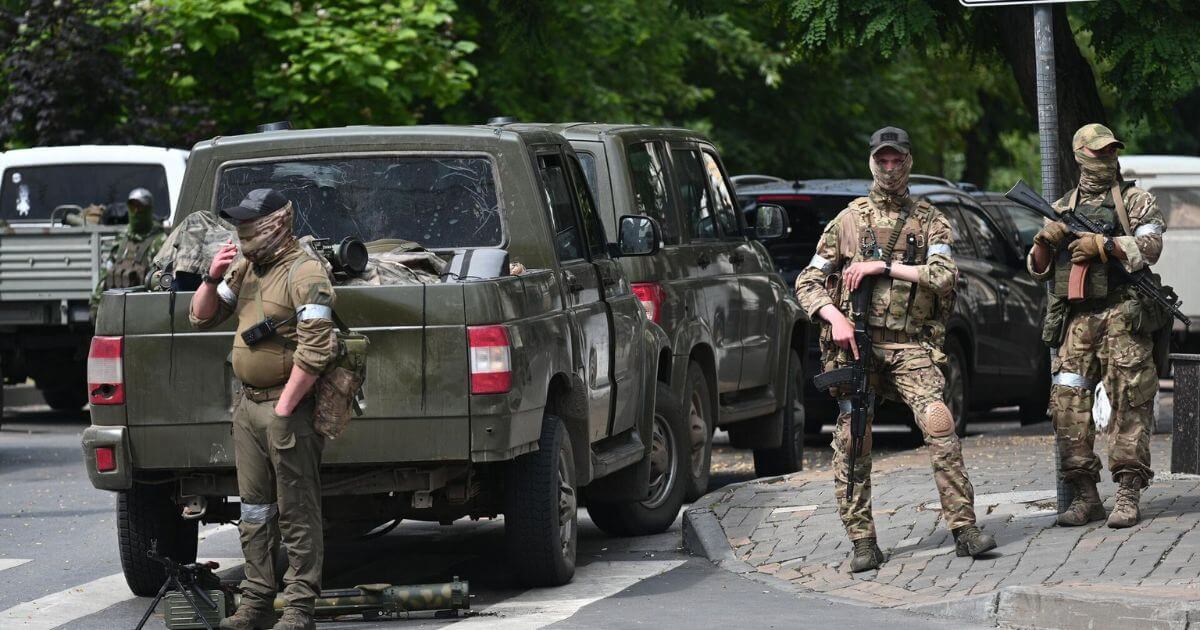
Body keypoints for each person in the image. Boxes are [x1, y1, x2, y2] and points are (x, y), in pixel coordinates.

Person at [794, 126, 996, 572]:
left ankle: (964, 529)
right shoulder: (848, 221)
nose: (889, 168)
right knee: (853, 439)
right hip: (858, 351)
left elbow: (944, 275)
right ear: (872, 161)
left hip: (909, 346)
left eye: (897, 159)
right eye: (882, 160)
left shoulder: (929, 220)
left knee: (940, 425)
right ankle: (863, 541)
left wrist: (884, 266)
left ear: (909, 161)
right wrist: (835, 316)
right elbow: (807, 281)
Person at [190, 189, 336, 630]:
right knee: (254, 510)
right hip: (248, 407)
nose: (244, 230)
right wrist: (212, 277)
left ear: (276, 221)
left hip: (285, 408)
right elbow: (201, 318)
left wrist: (286, 410)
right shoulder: (246, 267)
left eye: (252, 221)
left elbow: (316, 349)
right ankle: (255, 600)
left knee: (297, 510)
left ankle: (298, 607)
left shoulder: (304, 271)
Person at [1027, 124, 1164, 529]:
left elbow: (1152, 248)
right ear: (1079, 154)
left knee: (1130, 401)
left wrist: (1105, 246)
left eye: (1111, 152)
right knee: (1067, 404)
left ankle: (1127, 492)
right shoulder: (1062, 207)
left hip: (1124, 313)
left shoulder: (1135, 201)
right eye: (1098, 152)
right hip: (1078, 320)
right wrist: (1043, 241)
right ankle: (1086, 495)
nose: (1106, 159)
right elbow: (1037, 269)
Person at [90, 188, 166, 314]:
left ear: (148, 210)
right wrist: (96, 303)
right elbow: (106, 273)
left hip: (144, 310)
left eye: (140, 207)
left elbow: (162, 283)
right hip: (117, 310)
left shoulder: (159, 241)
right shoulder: (122, 240)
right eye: (132, 207)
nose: (136, 211)